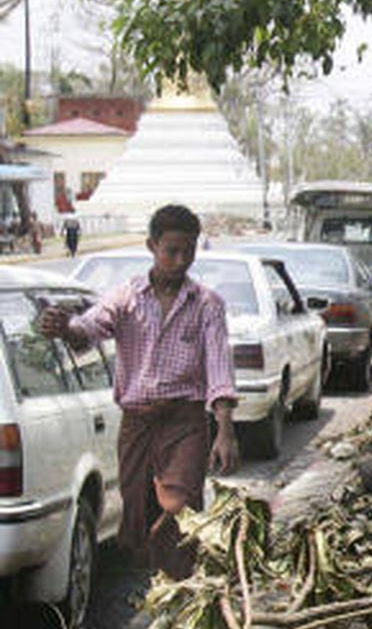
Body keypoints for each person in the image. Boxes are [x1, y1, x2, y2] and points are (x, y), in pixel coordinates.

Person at [38, 204, 239, 577]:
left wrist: (225, 431)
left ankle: (181, 587)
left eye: (189, 252)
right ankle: (157, 585)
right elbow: (90, 327)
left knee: (179, 506)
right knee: (137, 516)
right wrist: (63, 327)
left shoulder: (207, 305)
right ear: (152, 245)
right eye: (172, 251)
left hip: (185, 422)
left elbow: (219, 370)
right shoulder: (127, 296)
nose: (181, 261)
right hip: (137, 423)